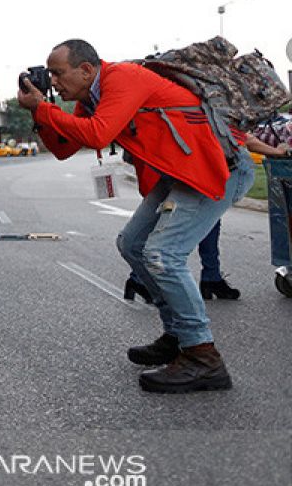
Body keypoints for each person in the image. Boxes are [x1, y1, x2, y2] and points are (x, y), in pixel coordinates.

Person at [19, 39, 253, 394]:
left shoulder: (123, 79)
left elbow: (99, 133)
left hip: (218, 167)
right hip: (181, 172)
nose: (52, 81)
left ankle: (203, 357)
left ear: (86, 69)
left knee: (163, 254)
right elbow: (65, 149)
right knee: (132, 244)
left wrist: (43, 108)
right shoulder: (89, 97)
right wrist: (39, 112)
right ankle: (177, 334)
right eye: (49, 74)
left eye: (57, 73)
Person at [124, 134, 292, 302]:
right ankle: (201, 284)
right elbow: (238, 135)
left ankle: (206, 278)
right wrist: (277, 151)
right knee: (167, 243)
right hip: (192, 168)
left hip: (165, 165)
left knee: (166, 229)